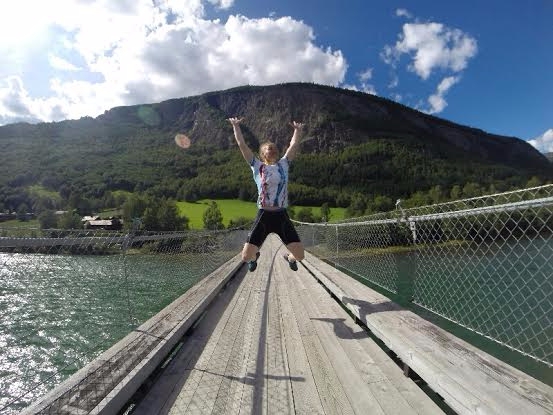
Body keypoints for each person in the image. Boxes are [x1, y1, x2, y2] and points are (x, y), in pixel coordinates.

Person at [228, 117, 305, 272]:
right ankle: (255, 257)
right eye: (268, 148)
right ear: (262, 153)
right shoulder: (257, 166)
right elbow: (242, 145)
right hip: (263, 215)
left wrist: (297, 130)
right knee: (245, 257)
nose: (271, 149)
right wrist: (236, 126)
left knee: (300, 256)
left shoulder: (284, 164)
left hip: (281, 215)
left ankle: (289, 258)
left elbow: (294, 145)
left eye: (273, 148)